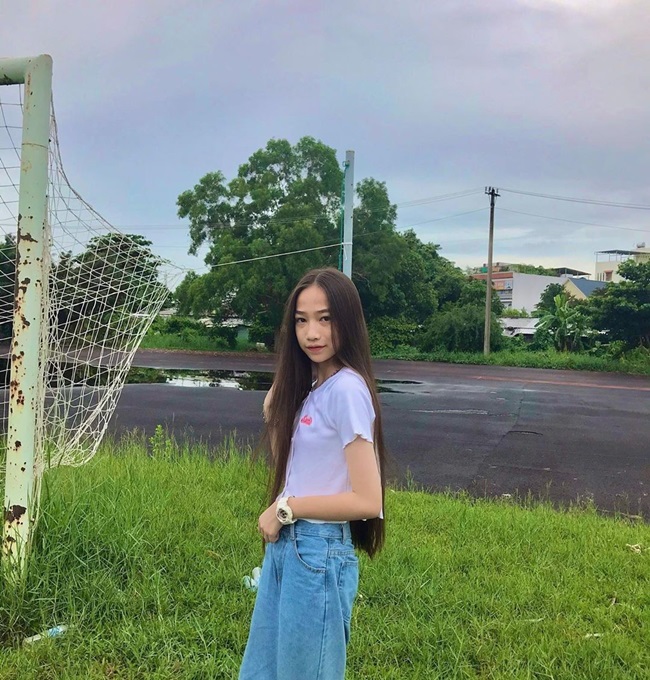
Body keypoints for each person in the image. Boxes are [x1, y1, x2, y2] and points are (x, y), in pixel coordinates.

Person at [239, 267, 387, 680]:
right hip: (291, 546)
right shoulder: (317, 388)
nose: (312, 333)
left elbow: (367, 500)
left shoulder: (347, 390)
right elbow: (297, 469)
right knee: (264, 672)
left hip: (317, 551)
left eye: (325, 318)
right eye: (302, 321)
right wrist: (275, 410)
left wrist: (285, 509)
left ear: (348, 321)